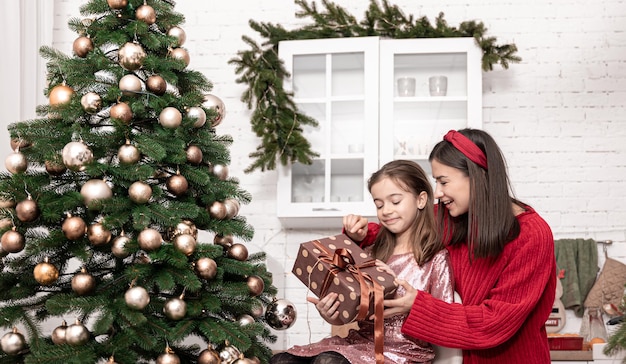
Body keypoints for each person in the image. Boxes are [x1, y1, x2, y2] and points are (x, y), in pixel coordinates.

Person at [344, 128, 556, 364]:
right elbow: (399, 226)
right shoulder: (447, 219)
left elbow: (495, 322)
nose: (438, 192)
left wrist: (418, 307)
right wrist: (361, 234)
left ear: (476, 176)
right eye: (436, 181)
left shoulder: (532, 235)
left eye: (443, 181)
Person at [271, 160, 454, 364]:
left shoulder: (435, 259)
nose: (386, 210)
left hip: (405, 354)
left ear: (420, 200)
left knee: (328, 362)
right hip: (360, 344)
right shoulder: (369, 253)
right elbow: (353, 312)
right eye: (379, 204)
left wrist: (409, 301)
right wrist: (331, 314)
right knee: (282, 360)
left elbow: (444, 322)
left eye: (395, 201)